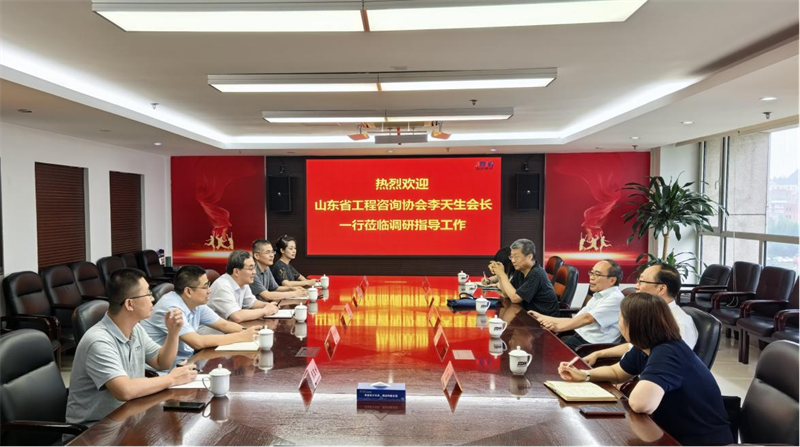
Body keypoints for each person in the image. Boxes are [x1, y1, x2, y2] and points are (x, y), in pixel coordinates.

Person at [557, 293, 732, 445]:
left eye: (620, 318)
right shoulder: (646, 346)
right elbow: (617, 372)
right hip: (667, 431)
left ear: (634, 324)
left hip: (697, 441)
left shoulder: (668, 352)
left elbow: (641, 404)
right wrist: (585, 375)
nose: (619, 324)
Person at [66, 269, 197, 425]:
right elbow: (125, 390)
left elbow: (161, 361)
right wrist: (171, 379)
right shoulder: (98, 341)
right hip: (95, 428)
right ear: (129, 304)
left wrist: (173, 332)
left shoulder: (135, 329)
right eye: (148, 294)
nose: (153, 299)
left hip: (128, 417)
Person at [142, 265, 263, 370]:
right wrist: (241, 336)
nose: (209, 291)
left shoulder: (196, 303)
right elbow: (197, 342)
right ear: (188, 291)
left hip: (186, 362)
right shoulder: (171, 308)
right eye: (205, 287)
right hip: (161, 370)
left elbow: (224, 325)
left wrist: (251, 333)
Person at [583, 263, 698, 366]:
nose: (636, 286)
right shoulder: (650, 314)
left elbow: (672, 366)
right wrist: (598, 354)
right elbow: (634, 347)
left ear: (661, 288)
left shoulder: (680, 324)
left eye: (641, 282)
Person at [529, 259, 625, 350]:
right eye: (591, 273)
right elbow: (575, 320)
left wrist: (557, 327)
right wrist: (541, 317)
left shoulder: (615, 298)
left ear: (612, 280)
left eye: (597, 274)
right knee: (538, 345)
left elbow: (587, 319)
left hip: (591, 346)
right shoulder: (599, 295)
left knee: (542, 350)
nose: (591, 277)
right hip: (579, 338)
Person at [485, 238, 560, 316]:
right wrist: (500, 273)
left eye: (516, 257)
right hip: (528, 314)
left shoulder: (536, 273)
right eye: (511, 257)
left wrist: (502, 275)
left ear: (529, 257)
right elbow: (507, 294)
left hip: (544, 319)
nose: (513, 260)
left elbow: (515, 298)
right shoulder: (520, 270)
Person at [207, 250, 280, 322]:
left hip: (230, 326)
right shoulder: (223, 287)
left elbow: (252, 303)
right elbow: (237, 316)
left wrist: (267, 305)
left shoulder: (243, 282)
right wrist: (264, 311)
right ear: (236, 271)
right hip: (214, 329)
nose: (254, 272)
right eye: (251, 268)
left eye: (254, 268)